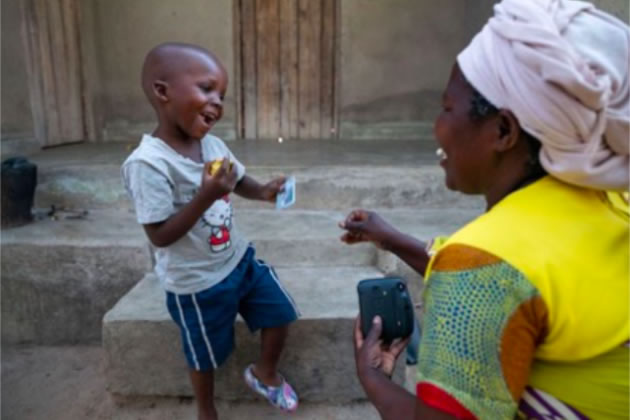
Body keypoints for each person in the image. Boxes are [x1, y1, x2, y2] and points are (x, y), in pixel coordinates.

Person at [339, 1, 629, 418]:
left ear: (503, 131)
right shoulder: (613, 200)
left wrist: (375, 381)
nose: (436, 126)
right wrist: (392, 239)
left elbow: (495, 277)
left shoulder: (484, 264)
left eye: (446, 108)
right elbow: (522, 284)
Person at [122, 43, 299, 420]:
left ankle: (265, 373)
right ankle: (207, 410)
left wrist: (264, 191)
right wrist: (205, 197)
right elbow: (160, 235)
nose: (217, 102)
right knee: (204, 354)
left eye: (222, 95)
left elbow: (236, 181)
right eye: (206, 89)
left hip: (238, 261)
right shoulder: (148, 164)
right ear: (162, 91)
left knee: (281, 311)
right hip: (197, 283)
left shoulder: (212, 144)